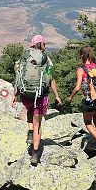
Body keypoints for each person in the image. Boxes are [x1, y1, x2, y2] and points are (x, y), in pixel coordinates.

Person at [12, 35, 61, 165]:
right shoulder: (46, 59)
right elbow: (51, 78)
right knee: (38, 124)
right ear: (43, 44)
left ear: (32, 44)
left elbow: (18, 74)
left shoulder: (25, 56)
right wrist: (56, 95)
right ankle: (35, 154)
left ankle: (30, 131)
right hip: (40, 96)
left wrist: (14, 95)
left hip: (25, 95)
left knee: (29, 110)